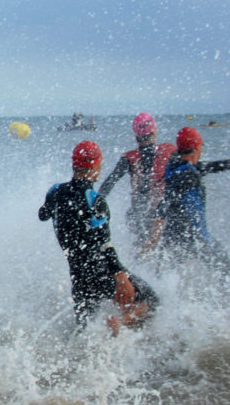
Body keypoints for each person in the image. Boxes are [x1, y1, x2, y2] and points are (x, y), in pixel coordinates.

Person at [40, 141, 157, 332]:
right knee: (151, 300)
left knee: (84, 330)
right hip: (102, 270)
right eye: (100, 165)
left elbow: (43, 214)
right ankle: (120, 323)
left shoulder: (56, 191)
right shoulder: (94, 199)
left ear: (74, 165)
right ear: (94, 166)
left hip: (78, 274)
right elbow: (105, 244)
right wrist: (121, 278)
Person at [143, 127, 230, 277]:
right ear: (197, 148)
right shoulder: (187, 176)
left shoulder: (176, 164)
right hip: (192, 235)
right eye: (201, 147)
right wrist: (152, 238)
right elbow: (165, 203)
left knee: (164, 273)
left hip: (172, 235)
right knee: (225, 268)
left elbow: (203, 167)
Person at [98, 112, 177, 244]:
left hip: (137, 214)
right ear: (154, 130)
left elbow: (109, 182)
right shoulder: (169, 151)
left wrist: (95, 204)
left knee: (141, 250)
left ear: (136, 135)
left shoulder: (129, 158)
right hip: (162, 213)